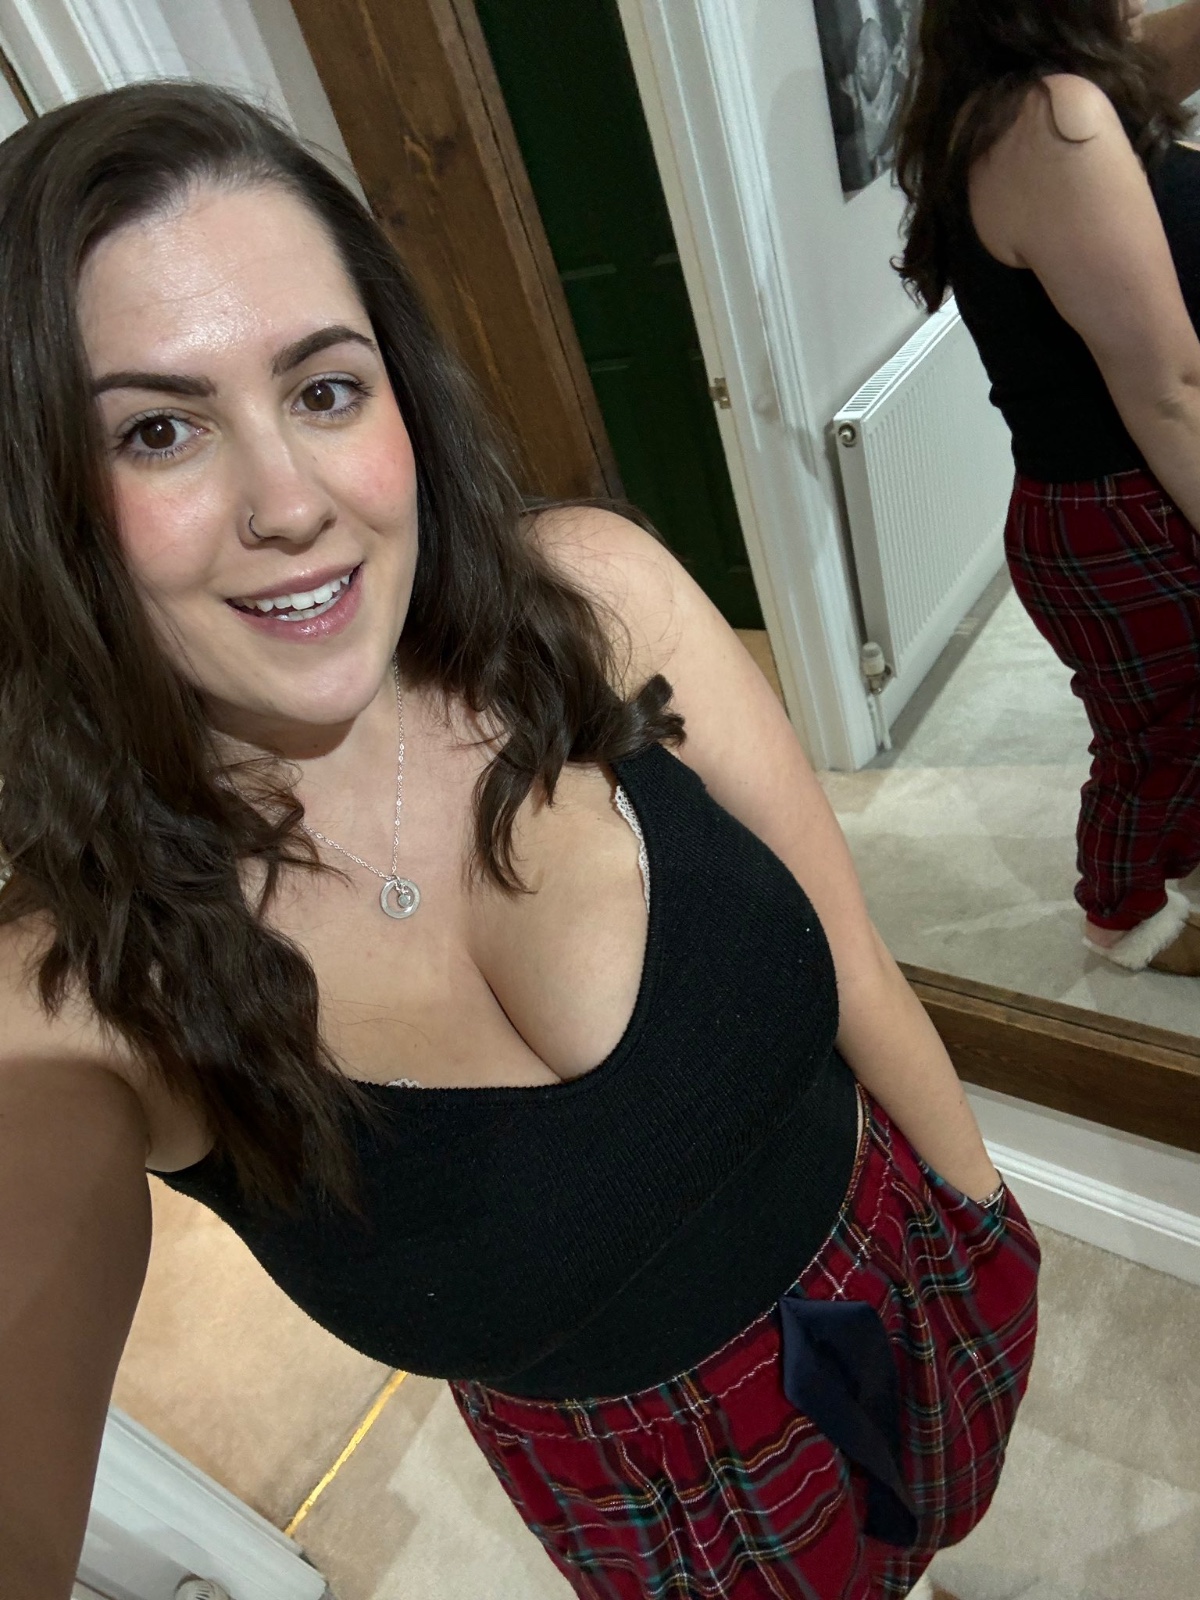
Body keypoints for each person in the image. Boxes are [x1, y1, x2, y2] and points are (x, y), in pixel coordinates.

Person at [0, 84, 1038, 1600]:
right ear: (38, 497)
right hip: (659, 1503)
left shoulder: (596, 601)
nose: (289, 502)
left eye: (325, 389)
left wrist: (979, 1211)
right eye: (159, 430)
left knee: (934, 1542)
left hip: (899, 1262)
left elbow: (853, 953)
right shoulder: (77, 997)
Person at [896, 0, 1200, 977]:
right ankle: (1123, 918)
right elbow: (1169, 389)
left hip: (1112, 505)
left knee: (1166, 730)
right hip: (1128, 510)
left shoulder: (1012, 95)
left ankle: (1174, 860)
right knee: (1159, 741)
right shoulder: (1053, 115)